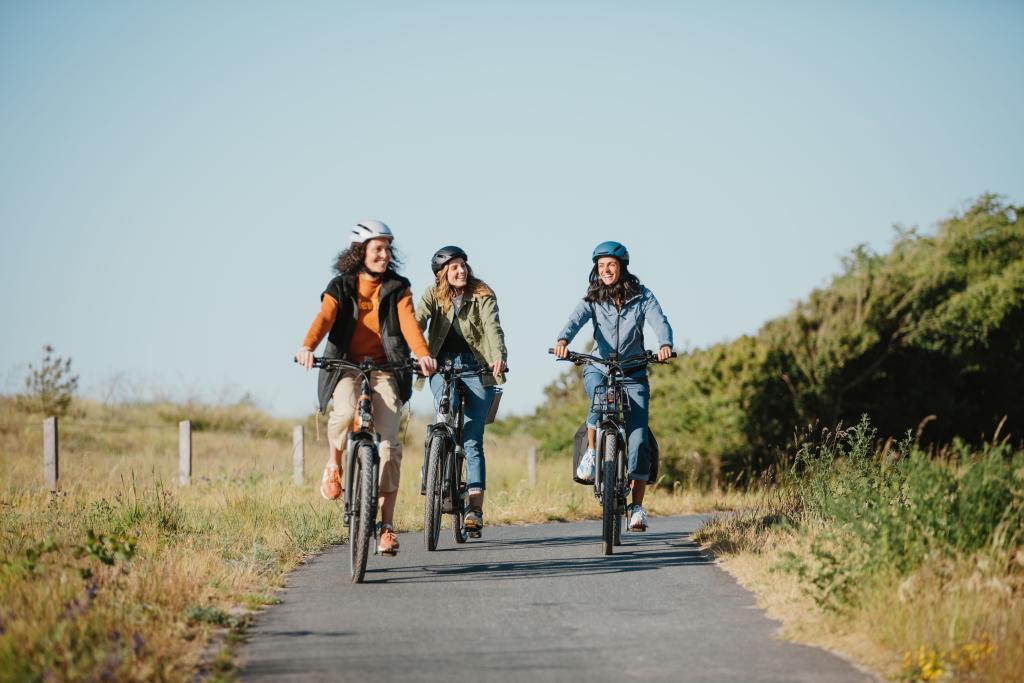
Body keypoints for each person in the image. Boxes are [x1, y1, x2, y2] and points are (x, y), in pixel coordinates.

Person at [295, 220, 437, 556]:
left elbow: (409, 325)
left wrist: (423, 354)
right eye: (378, 248)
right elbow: (325, 318)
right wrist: (307, 346)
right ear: (361, 253)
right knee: (344, 412)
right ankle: (334, 465)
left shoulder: (398, 287)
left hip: (386, 368)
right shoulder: (341, 285)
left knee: (389, 447)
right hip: (345, 365)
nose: (385, 254)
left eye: (388, 248)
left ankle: (386, 527)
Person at [552, 241, 673, 532]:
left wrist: (665, 344)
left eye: (611, 265)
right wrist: (562, 341)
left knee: (640, 437)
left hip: (633, 372)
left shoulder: (642, 296)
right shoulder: (593, 297)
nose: (605, 270)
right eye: (601, 265)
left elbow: (659, 320)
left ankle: (637, 507)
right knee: (598, 395)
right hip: (600, 367)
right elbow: (575, 320)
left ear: (622, 267)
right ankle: (593, 453)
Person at [416, 246, 507, 535]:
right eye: (454, 267)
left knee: (472, 440)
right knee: (445, 412)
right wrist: (415, 351)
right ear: (442, 273)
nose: (461, 271)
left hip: (477, 368)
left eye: (463, 265)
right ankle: (432, 466)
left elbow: (493, 329)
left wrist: (498, 356)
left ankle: (474, 510)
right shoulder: (432, 295)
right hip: (441, 367)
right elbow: (416, 322)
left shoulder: (482, 294)